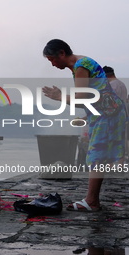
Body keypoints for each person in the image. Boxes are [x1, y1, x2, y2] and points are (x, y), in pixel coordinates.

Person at [42, 39, 126, 212]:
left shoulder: (81, 66)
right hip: (107, 112)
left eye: (52, 59)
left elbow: (81, 99)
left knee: (96, 156)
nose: (52, 64)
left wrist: (59, 97)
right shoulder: (81, 64)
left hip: (107, 114)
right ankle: (92, 199)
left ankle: (92, 201)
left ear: (62, 53)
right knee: (99, 156)